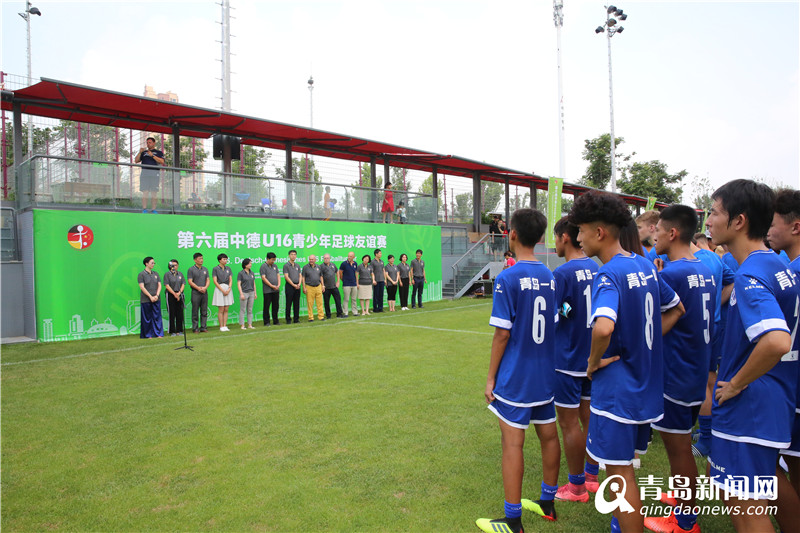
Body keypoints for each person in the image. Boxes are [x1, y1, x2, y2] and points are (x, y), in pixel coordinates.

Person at [568, 191, 683, 533]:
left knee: (620, 475)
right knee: (625, 468)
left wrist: (592, 362)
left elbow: (603, 326)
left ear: (599, 232)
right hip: (645, 387)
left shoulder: (608, 275)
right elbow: (677, 308)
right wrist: (642, 343)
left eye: (581, 230)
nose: (578, 238)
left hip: (618, 391)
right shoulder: (644, 265)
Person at [705, 179, 799, 533]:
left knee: (746, 509)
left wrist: (735, 384)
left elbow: (776, 341)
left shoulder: (750, 275)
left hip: (750, 409)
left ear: (739, 221)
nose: (708, 221)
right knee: (765, 488)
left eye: (714, 212)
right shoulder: (778, 265)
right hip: (774, 401)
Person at [475, 208, 561, 533]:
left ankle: (513, 521)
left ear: (511, 234)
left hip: (516, 377)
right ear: (540, 237)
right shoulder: (550, 276)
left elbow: (502, 334)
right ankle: (548, 503)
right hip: (545, 374)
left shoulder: (508, 278)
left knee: (513, 444)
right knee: (549, 436)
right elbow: (553, 324)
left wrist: (490, 378)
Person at [643, 205, 715, 533]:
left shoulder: (672, 274)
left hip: (675, 373)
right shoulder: (703, 268)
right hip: (695, 368)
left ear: (672, 233)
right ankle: (681, 500)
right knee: (681, 444)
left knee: (679, 450)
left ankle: (685, 523)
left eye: (657, 230)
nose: (653, 236)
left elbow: (657, 323)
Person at [550, 217, 600, 503]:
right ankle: (592, 476)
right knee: (589, 417)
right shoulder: (596, 267)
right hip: (593, 357)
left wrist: (566, 309)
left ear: (564, 238)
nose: (554, 244)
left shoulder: (562, 273)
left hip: (567, 359)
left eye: (555, 238)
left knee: (569, 423)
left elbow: (555, 315)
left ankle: (577, 486)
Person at [767, 188, 800, 529]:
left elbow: (778, 341)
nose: (769, 230)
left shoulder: (791, 274)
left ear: (795, 226)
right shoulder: (788, 269)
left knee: (769, 466)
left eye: (773, 222)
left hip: (791, 383)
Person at [134, 136, 166, 213]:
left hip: (154, 174)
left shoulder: (158, 152)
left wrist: (152, 155)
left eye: (150, 142)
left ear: (154, 143)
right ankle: (144, 209)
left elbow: (162, 161)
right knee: (145, 192)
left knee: (154, 193)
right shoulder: (144, 152)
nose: (148, 144)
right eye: (147, 143)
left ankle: (153, 209)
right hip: (145, 174)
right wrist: (140, 152)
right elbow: (136, 160)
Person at [138, 256, 164, 338]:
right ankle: (148, 334)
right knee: (147, 317)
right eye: (152, 263)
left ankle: (158, 333)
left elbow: (159, 285)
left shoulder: (156, 274)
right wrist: (150, 296)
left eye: (154, 263)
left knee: (157, 317)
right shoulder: (141, 274)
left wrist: (156, 295)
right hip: (146, 299)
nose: (153, 264)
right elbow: (142, 287)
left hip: (156, 298)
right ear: (146, 264)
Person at [187, 252, 210, 333]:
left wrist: (205, 288)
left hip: (204, 292)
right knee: (195, 311)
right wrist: (198, 288)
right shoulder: (191, 269)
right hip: (195, 292)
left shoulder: (205, 269)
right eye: (199, 259)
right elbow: (190, 281)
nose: (201, 260)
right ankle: (195, 328)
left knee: (204, 311)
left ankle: (203, 327)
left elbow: (208, 280)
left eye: (202, 258)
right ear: (195, 260)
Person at [163, 258, 185, 336]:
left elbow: (183, 284)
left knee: (180, 313)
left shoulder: (180, 274)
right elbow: (167, 285)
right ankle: (172, 331)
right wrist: (174, 294)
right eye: (173, 265)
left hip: (179, 294)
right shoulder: (167, 274)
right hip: (170, 294)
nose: (174, 267)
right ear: (170, 266)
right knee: (172, 313)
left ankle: (179, 330)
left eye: (176, 265)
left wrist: (179, 293)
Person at [212, 253, 234, 332]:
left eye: (226, 259)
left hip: (227, 289)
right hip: (219, 289)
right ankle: (221, 326)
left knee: (226, 309)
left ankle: (225, 325)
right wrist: (222, 290)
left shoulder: (228, 268)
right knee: (221, 309)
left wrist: (229, 289)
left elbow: (230, 280)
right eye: (224, 259)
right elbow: (215, 281)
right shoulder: (215, 269)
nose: (225, 261)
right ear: (219, 260)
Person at [302, 254, 325, 322]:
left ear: (315, 260)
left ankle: (321, 316)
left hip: (318, 286)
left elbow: (321, 276)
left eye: (312, 259)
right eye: (310, 259)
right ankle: (311, 317)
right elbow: (303, 278)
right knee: (310, 303)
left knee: (320, 303)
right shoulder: (305, 267)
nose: (311, 260)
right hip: (309, 287)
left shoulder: (318, 266)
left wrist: (323, 285)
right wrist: (304, 287)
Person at [260, 252, 281, 326]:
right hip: (267, 290)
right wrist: (271, 286)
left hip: (276, 289)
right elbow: (263, 278)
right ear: (267, 259)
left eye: (274, 260)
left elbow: (278, 275)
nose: (273, 261)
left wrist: (278, 284)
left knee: (276, 306)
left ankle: (276, 321)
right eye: (272, 260)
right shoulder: (263, 266)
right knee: (267, 306)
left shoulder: (275, 266)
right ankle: (266, 321)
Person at [321, 253, 344, 319]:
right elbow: (321, 276)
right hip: (326, 288)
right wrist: (323, 285)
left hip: (334, 286)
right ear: (323, 259)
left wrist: (338, 281)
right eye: (325, 258)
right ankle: (328, 315)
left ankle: (339, 314)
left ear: (330, 258)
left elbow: (337, 272)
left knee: (338, 300)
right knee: (326, 302)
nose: (326, 259)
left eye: (327, 258)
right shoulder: (321, 266)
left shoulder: (333, 265)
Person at [237, 258, 257, 330]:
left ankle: (250, 324)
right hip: (244, 292)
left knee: (250, 309)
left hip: (251, 292)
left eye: (251, 263)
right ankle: (242, 325)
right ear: (245, 265)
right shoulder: (241, 273)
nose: (250, 265)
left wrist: (255, 293)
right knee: (243, 309)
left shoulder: (252, 273)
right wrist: (241, 294)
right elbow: (239, 284)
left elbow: (253, 283)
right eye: (249, 263)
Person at [283, 250, 302, 324]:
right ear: (289, 256)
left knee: (296, 304)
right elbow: (286, 277)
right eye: (291, 254)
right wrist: (293, 285)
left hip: (297, 286)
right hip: (290, 286)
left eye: (294, 254)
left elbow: (300, 275)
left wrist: (299, 284)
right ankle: (288, 319)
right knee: (289, 303)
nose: (293, 256)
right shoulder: (286, 265)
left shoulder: (297, 265)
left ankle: (296, 319)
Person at [339, 251, 359, 317]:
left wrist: (356, 282)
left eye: (350, 256)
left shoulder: (355, 263)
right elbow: (340, 273)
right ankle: (345, 313)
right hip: (346, 284)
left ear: (353, 257)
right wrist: (343, 280)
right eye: (348, 256)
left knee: (354, 299)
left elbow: (356, 273)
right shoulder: (344, 264)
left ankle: (355, 312)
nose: (349, 257)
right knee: (346, 299)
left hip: (354, 284)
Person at [372, 248, 385, 313]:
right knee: (376, 295)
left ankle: (380, 308)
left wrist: (384, 279)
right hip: (376, 281)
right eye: (380, 253)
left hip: (382, 280)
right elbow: (371, 272)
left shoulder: (382, 261)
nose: (381, 254)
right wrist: (373, 280)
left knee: (381, 295)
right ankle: (375, 308)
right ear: (376, 254)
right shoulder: (372, 262)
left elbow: (383, 270)